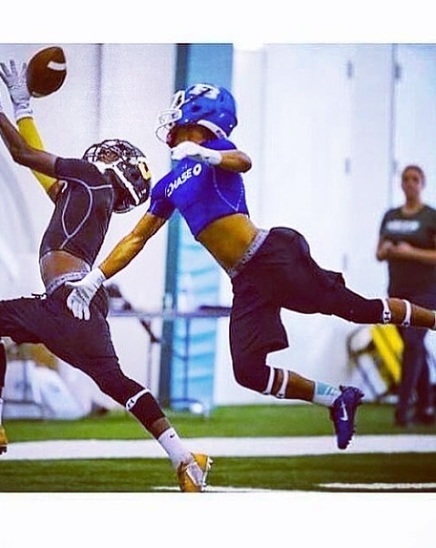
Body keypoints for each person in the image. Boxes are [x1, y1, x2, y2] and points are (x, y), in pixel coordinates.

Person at [66, 83, 436, 451]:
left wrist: (205, 155)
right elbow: (136, 237)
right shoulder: (167, 184)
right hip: (245, 280)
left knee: (358, 309)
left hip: (272, 256)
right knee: (248, 372)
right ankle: (336, 398)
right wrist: (95, 277)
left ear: (201, 114)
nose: (173, 116)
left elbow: (243, 161)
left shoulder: (217, 150)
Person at [0, 60, 212, 492]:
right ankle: (185, 459)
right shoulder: (90, 195)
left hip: (64, 298)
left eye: (112, 155)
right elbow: (43, 174)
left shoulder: (91, 177)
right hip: (83, 304)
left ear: (117, 167)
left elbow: (23, 155)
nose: (103, 154)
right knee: (117, 383)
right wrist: (23, 106)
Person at [376, 165, 436, 426]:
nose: (410, 183)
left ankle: (402, 409)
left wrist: (411, 252)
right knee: (414, 346)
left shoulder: (430, 217)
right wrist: (387, 250)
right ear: (400, 184)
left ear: (422, 183)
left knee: (413, 342)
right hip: (397, 292)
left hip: (426, 292)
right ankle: (426, 406)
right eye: (406, 179)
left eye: (415, 179)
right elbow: (378, 253)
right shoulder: (390, 216)